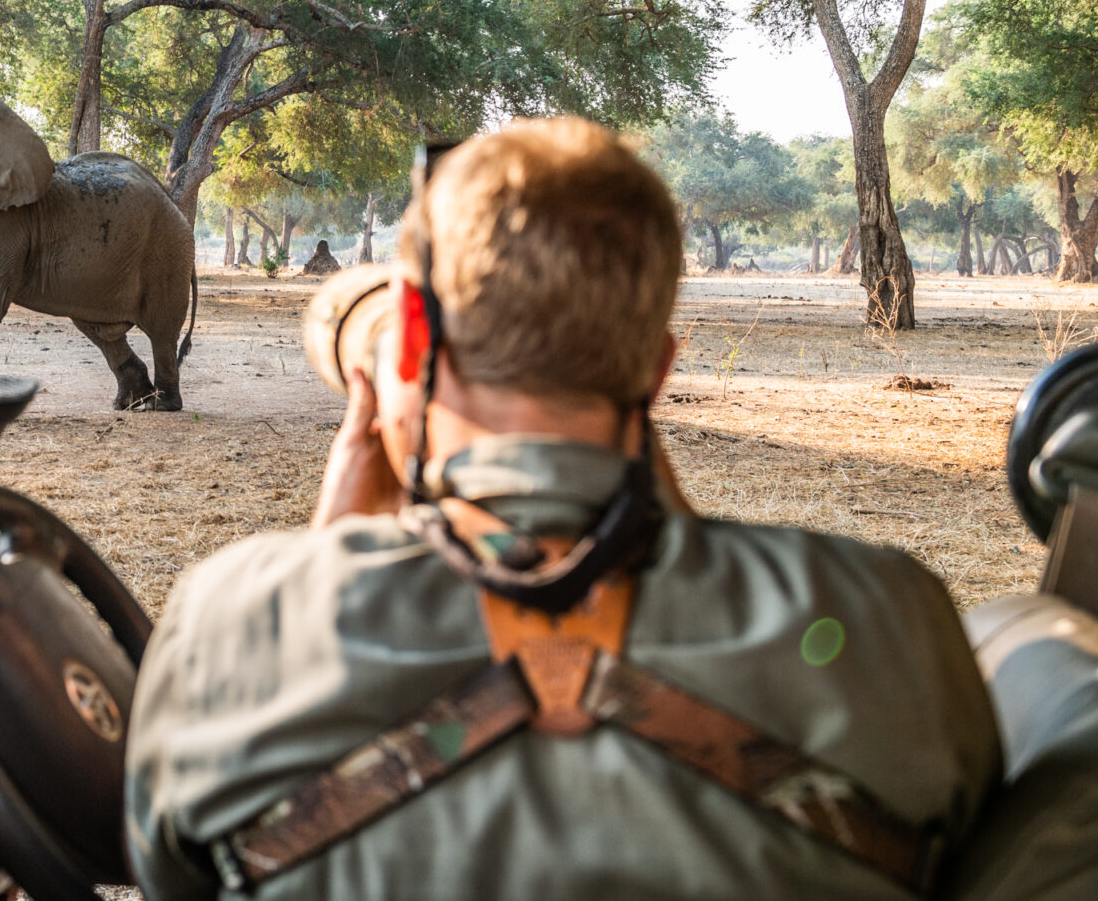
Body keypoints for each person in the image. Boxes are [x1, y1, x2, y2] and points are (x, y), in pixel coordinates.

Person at [124, 118, 999, 899]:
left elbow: (178, 876)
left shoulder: (230, 617)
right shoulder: (890, 616)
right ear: (656, 373)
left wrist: (322, 574)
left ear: (417, 346)